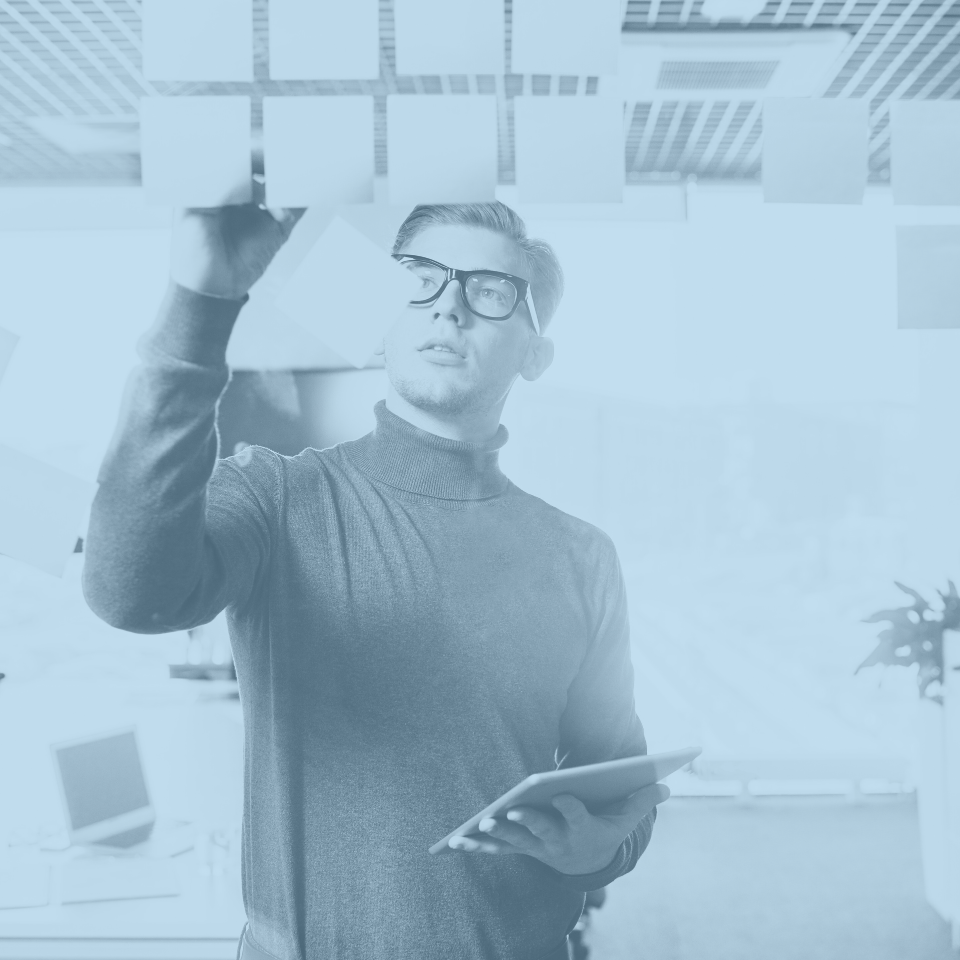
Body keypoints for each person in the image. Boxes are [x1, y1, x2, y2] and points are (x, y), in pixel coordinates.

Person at [82, 184, 669, 960]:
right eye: (422, 279)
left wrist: (598, 853)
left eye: (491, 291)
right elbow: (129, 593)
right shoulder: (276, 497)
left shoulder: (581, 556)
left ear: (535, 355)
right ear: (381, 326)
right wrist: (201, 302)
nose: (448, 306)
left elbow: (620, 787)